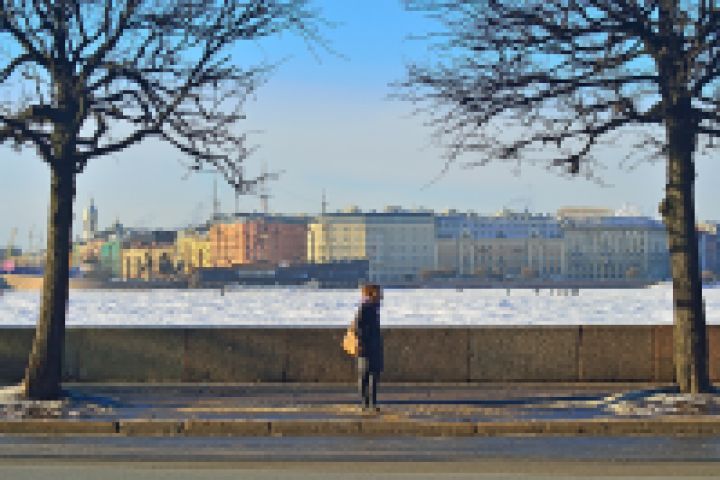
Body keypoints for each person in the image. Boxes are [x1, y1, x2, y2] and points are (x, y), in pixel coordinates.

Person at [352, 283, 384, 411]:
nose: (381, 295)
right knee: (366, 375)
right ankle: (366, 403)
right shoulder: (366, 307)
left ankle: (371, 403)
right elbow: (358, 327)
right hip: (367, 346)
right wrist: (361, 342)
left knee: (373, 375)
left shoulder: (373, 307)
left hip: (373, 345)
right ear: (371, 293)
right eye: (378, 292)